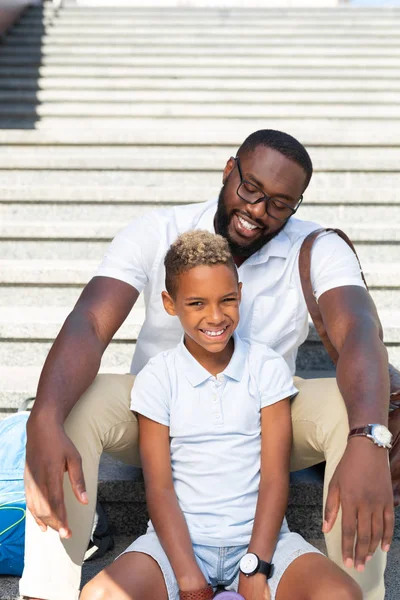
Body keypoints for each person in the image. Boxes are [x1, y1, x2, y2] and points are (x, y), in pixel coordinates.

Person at [21, 130, 394, 600]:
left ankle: (359, 587)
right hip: (159, 413)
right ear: (228, 170)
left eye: (280, 203)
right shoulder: (156, 231)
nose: (259, 210)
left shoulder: (318, 246)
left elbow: (360, 330)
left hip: (270, 413)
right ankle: (45, 591)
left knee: (355, 418)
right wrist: (43, 415)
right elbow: (91, 322)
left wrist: (369, 437)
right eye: (251, 189)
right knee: (71, 404)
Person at [80, 230, 362, 600]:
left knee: (342, 595)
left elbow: (275, 478)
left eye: (227, 300)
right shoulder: (158, 376)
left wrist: (257, 563)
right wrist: (188, 576)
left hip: (263, 543)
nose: (215, 316)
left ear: (240, 294)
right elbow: (160, 488)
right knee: (99, 596)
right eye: (196, 303)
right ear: (170, 303)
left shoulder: (265, 367)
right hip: (176, 546)